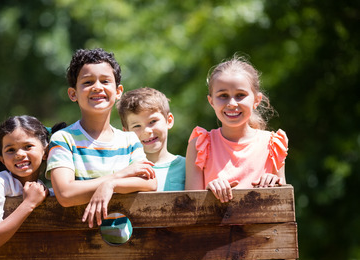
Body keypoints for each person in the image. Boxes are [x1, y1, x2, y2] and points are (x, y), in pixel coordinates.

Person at [47, 48, 157, 228]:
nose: (97, 87)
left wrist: (111, 186)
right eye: (88, 82)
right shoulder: (63, 139)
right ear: (73, 93)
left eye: (105, 81)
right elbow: (66, 194)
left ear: (118, 91)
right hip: (75, 245)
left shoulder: (129, 140)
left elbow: (150, 182)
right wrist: (117, 178)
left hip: (125, 245)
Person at [186, 54, 288, 203]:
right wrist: (209, 191)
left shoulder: (272, 144)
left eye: (240, 95)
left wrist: (275, 184)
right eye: (223, 95)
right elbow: (190, 205)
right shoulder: (199, 144)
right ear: (211, 101)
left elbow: (284, 204)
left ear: (256, 100)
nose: (232, 103)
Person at [0, 115, 66, 252]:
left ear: (45, 152)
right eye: (10, 150)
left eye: (28, 146)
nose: (19, 154)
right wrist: (29, 203)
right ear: (2, 159)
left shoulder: (45, 189)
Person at [117, 87, 185, 191]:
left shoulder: (188, 168)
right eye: (136, 126)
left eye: (153, 121)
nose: (146, 131)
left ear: (169, 121)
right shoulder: (123, 171)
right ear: (126, 132)